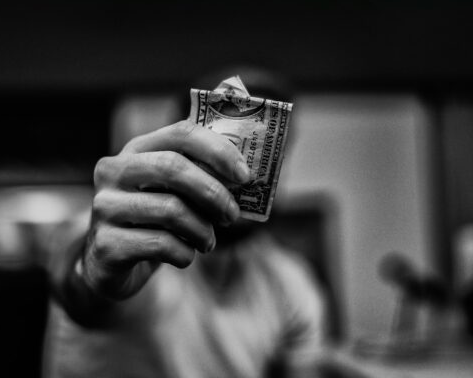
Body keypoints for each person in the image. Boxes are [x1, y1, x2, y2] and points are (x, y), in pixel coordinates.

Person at [44, 116, 329, 377]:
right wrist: (94, 273)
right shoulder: (125, 228)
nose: (243, 166)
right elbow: (74, 281)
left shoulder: (291, 281)